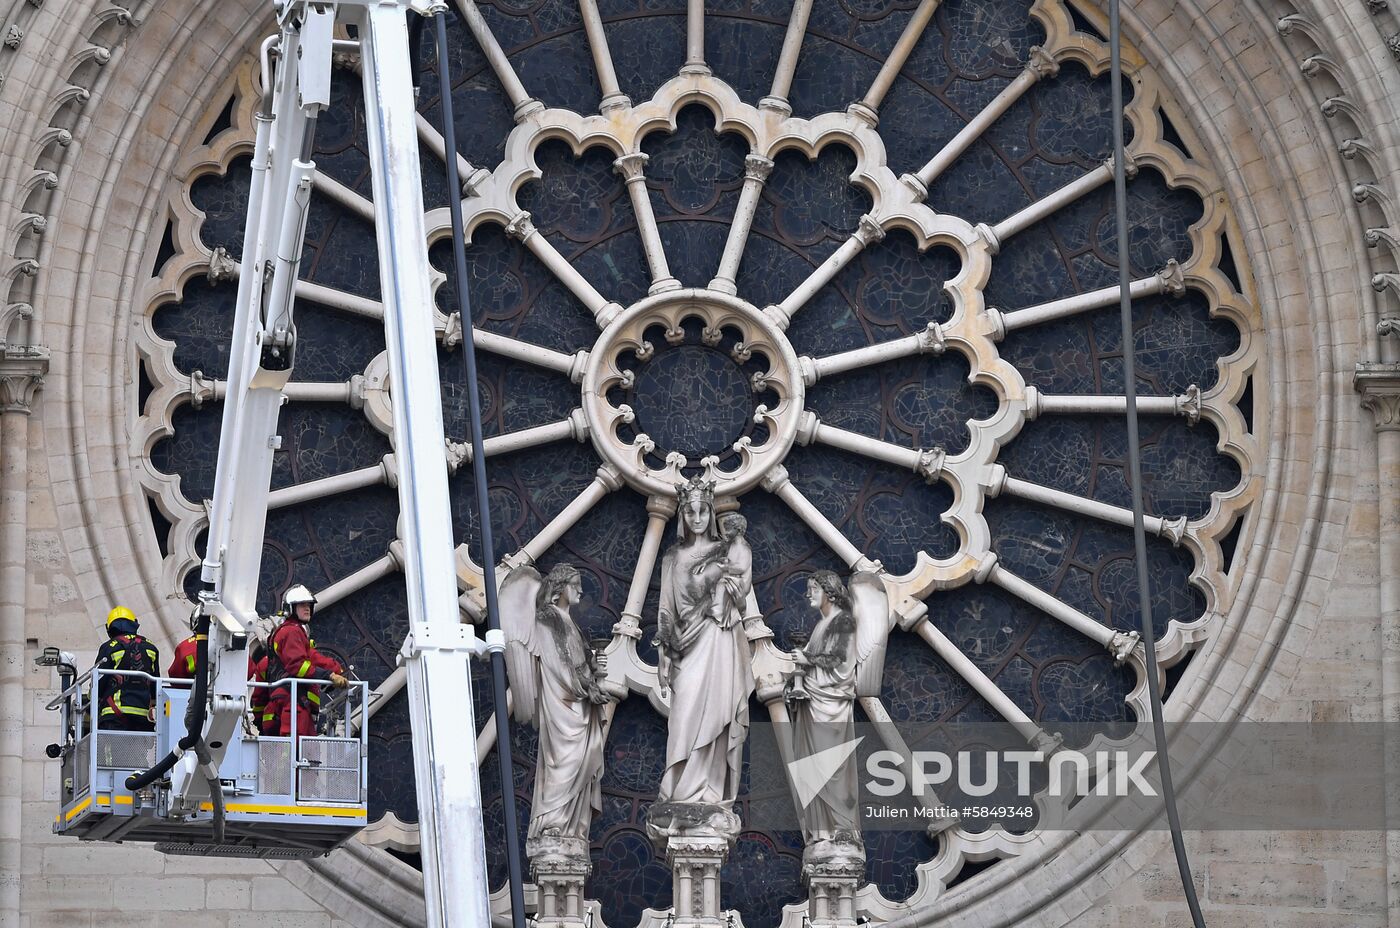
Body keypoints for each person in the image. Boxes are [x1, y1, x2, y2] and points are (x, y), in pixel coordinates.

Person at [655, 477, 754, 807]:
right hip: (684, 643)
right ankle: (679, 789)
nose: (696, 518)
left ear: (711, 513)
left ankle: (709, 791)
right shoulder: (672, 557)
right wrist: (664, 653)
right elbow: (666, 608)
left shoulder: (727, 551)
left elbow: (740, 594)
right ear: (682, 515)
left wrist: (730, 592)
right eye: (690, 512)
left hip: (717, 636)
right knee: (683, 717)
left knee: (717, 714)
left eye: (702, 511)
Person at [264, 584, 347, 737]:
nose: (307, 608)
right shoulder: (291, 631)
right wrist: (328, 676)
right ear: (290, 608)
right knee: (294, 745)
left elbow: (312, 658)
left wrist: (335, 669)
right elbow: (298, 666)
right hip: (292, 700)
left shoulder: (294, 631)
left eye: (309, 605)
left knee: (305, 745)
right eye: (302, 605)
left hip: (295, 700)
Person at [93, 606, 161, 731]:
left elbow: (98, 681)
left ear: (109, 628)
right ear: (134, 623)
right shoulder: (151, 647)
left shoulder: (108, 647)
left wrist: (89, 699)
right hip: (143, 716)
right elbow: (155, 684)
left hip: (114, 714)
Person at [691, 512, 752, 629]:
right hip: (732, 578)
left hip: (740, 583)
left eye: (728, 529)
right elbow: (719, 557)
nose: (726, 532)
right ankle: (713, 608)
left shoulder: (744, 547)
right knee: (715, 583)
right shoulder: (730, 545)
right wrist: (706, 563)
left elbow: (741, 567)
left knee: (721, 584)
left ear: (738, 530)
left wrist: (725, 567)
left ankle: (717, 611)